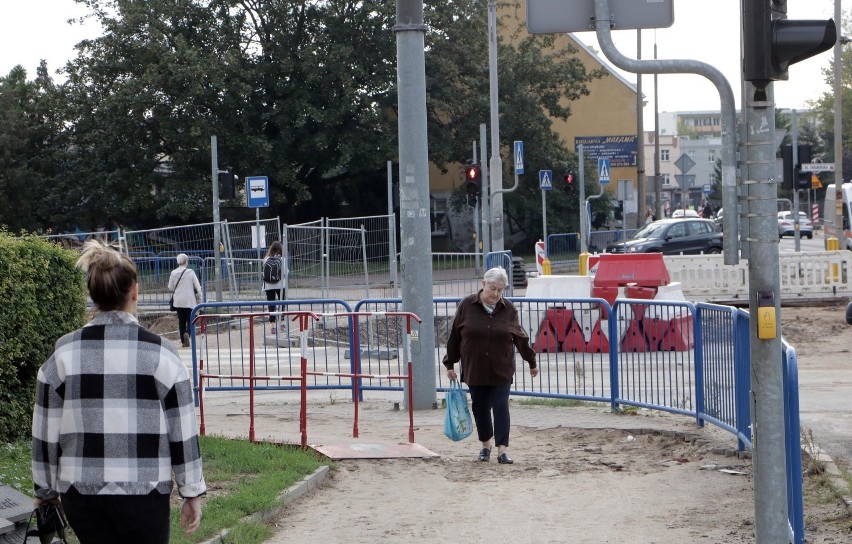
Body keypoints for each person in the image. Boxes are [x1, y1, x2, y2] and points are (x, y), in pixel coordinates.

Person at [32, 240, 206, 543]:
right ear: (135, 291)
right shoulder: (161, 354)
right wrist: (191, 490)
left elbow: (45, 429)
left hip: (81, 494)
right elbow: (183, 428)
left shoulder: (63, 353)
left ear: (92, 295)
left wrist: (46, 492)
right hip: (144, 492)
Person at [442, 267, 538, 464]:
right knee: (480, 407)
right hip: (474, 368)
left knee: (501, 406)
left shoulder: (508, 309)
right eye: (492, 288)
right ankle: (485, 446)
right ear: (483, 284)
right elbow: (455, 336)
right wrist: (450, 363)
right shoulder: (466, 305)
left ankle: (502, 449)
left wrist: (531, 361)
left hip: (501, 368)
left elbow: (520, 337)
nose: (495, 294)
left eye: (500, 290)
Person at [169, 253, 203, 347]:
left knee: (181, 321)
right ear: (185, 261)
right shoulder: (190, 272)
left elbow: (170, 287)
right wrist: (200, 302)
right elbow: (198, 288)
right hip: (189, 301)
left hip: (178, 301)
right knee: (190, 320)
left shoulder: (173, 273)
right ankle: (188, 333)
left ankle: (183, 342)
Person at [262, 241, 287, 333]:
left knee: (271, 305)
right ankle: (282, 324)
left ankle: (273, 327)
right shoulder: (282, 259)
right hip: (280, 285)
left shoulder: (266, 259)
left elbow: (264, 273)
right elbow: (285, 272)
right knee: (282, 304)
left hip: (268, 285)